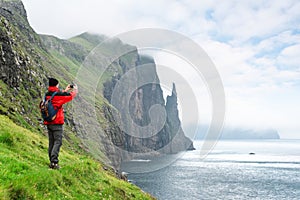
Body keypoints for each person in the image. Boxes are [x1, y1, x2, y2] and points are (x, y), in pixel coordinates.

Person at [44, 78, 78, 169]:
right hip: (57, 122)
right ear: (56, 85)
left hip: (49, 121)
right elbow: (70, 97)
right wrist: (75, 89)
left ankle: (51, 160)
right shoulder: (58, 95)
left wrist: (65, 90)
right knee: (58, 142)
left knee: (52, 142)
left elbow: (57, 97)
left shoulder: (48, 94)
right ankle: (54, 162)